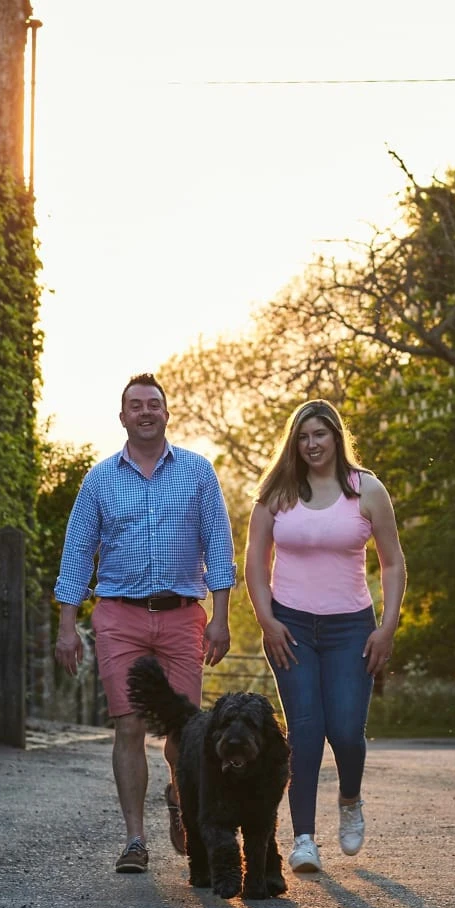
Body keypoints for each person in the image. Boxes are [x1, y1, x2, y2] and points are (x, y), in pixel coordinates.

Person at [54, 373, 234, 874]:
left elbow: (219, 549)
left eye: (154, 404)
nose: (146, 412)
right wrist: (67, 627)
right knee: (129, 725)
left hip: (181, 616)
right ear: (123, 416)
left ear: (167, 413)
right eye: (136, 405)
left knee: (183, 730)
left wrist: (220, 619)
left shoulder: (197, 473)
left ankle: (181, 802)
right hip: (119, 615)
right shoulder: (100, 479)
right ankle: (135, 839)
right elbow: (76, 556)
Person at [244, 399, 407, 875]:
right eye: (303, 437)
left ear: (336, 437)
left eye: (320, 434)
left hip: (351, 628)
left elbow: (394, 562)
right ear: (294, 443)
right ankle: (304, 839)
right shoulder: (276, 493)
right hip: (290, 627)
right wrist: (266, 620)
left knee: (346, 734)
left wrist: (387, 626)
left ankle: (350, 799)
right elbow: (254, 561)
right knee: (306, 733)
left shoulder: (366, 490)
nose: (312, 444)